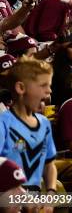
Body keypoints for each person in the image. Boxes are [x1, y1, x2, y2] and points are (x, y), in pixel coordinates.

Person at [0, 58, 57, 191]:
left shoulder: (44, 123)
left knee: (70, 199)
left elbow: (49, 165)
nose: (49, 91)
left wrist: (51, 192)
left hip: (34, 194)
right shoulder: (3, 123)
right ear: (21, 88)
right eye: (43, 85)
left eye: (50, 85)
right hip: (8, 196)